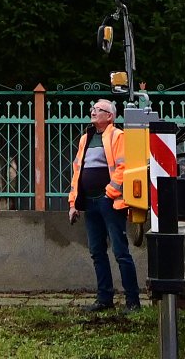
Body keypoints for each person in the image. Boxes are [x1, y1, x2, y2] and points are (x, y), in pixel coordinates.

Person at [67, 98, 140, 312]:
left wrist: (109, 193)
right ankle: (104, 299)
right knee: (97, 252)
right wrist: (73, 203)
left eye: (98, 109)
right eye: (93, 109)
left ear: (110, 116)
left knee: (120, 252)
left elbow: (123, 167)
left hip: (109, 202)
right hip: (89, 203)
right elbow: (77, 172)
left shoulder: (118, 136)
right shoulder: (86, 138)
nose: (93, 112)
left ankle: (133, 302)